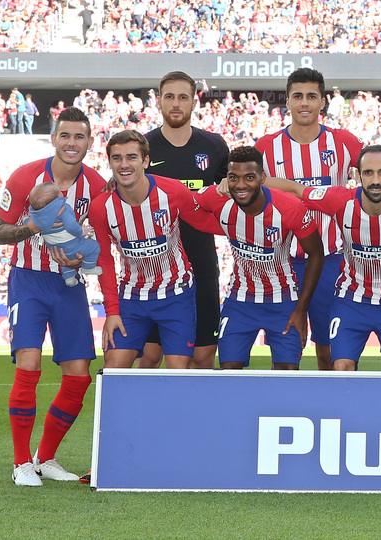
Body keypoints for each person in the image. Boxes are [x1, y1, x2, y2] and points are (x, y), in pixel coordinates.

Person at [0, 106, 106, 486]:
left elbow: (98, 236)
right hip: (28, 279)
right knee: (28, 364)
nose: (72, 143)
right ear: (54, 138)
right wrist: (32, 225)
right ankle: (21, 462)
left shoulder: (97, 184)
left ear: (89, 142)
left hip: (68, 283)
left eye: (79, 137)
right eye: (65, 136)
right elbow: (0, 232)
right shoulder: (25, 176)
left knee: (79, 376)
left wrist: (79, 252)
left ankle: (46, 457)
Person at [266, 145, 381, 371]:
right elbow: (298, 190)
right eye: (368, 173)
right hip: (352, 301)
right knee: (342, 367)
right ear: (357, 175)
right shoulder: (339, 200)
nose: (375, 180)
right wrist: (247, 184)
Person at [254, 67, 363, 370]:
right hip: (282, 262)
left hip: (332, 261)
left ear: (323, 102)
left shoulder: (344, 142)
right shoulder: (266, 146)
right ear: (286, 102)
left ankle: (332, 412)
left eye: (311, 96)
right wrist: (303, 191)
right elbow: (248, 183)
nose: (304, 103)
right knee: (286, 349)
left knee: (329, 352)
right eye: (297, 96)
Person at [89, 130, 222, 371]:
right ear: (109, 162)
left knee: (178, 372)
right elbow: (104, 262)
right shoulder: (100, 208)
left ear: (146, 161)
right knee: (114, 368)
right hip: (132, 298)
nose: (124, 164)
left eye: (131, 157)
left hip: (176, 295)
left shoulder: (172, 192)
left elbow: (205, 222)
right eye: (117, 158)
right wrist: (111, 312)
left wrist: (248, 227)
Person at [196, 146, 324, 369]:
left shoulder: (289, 207)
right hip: (240, 302)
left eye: (249, 177)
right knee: (229, 373)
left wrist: (301, 309)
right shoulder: (218, 199)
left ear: (262, 178)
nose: (241, 185)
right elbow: (184, 203)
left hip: (283, 302)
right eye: (233, 177)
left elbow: (316, 253)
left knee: (287, 375)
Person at [139, 71, 229, 369]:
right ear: (159, 102)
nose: (175, 104)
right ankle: (147, 417)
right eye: (169, 97)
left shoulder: (214, 146)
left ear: (193, 103)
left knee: (203, 357)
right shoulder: (143, 148)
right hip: (154, 270)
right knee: (150, 356)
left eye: (183, 97)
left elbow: (227, 198)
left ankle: (201, 417)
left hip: (201, 264)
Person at [27, 182, 101, 287]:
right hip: (73, 245)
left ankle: (69, 278)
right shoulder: (64, 209)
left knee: (64, 259)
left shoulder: (37, 215)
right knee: (94, 246)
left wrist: (26, 220)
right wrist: (81, 231)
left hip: (55, 249)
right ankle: (88, 267)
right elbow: (71, 226)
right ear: (57, 199)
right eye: (59, 192)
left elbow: (29, 224)